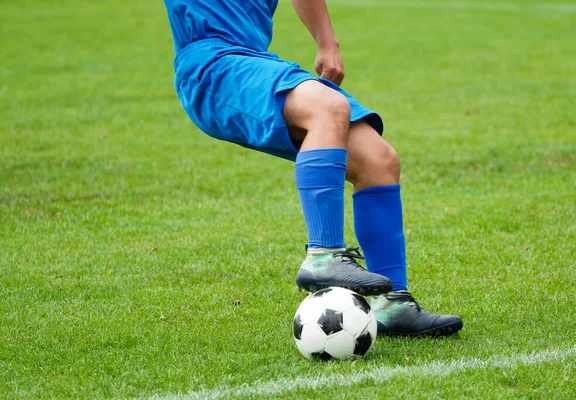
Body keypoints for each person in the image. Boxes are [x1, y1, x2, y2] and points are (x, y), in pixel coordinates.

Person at [163, 0, 463, 337]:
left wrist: (326, 40)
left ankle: (391, 306)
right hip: (212, 64)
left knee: (378, 160)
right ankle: (324, 254)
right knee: (328, 106)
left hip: (252, 58)